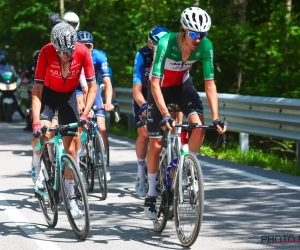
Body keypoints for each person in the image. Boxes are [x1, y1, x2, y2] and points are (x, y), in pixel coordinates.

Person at [144, 7, 227, 219]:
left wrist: (216, 117)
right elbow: (154, 83)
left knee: (199, 128)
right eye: (193, 33)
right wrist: (164, 113)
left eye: (202, 34)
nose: (198, 39)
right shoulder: (166, 43)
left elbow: (210, 84)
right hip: (160, 88)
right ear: (183, 30)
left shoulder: (205, 46)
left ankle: (187, 169)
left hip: (182, 86)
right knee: (155, 144)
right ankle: (152, 193)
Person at [31, 22, 97, 219]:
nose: (66, 55)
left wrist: (85, 114)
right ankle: (37, 168)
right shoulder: (46, 52)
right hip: (49, 95)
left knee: (70, 150)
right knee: (44, 131)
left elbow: (92, 87)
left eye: (69, 51)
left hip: (69, 95)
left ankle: (71, 198)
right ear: (54, 47)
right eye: (62, 52)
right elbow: (37, 90)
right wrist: (36, 122)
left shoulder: (83, 51)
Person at [132, 25, 169, 197]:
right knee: (145, 133)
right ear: (150, 44)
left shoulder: (171, 56)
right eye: (158, 44)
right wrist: (145, 106)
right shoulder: (142, 55)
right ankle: (141, 173)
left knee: (173, 129)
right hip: (145, 97)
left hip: (164, 95)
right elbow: (136, 90)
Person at [76, 30, 114, 180]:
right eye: (82, 45)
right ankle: (79, 158)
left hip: (93, 89)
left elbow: (107, 83)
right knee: (80, 124)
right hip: (77, 89)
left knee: (102, 127)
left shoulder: (99, 57)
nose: (86, 48)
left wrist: (108, 102)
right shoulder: (72, 57)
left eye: (89, 46)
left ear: (93, 46)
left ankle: (103, 159)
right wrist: (80, 104)